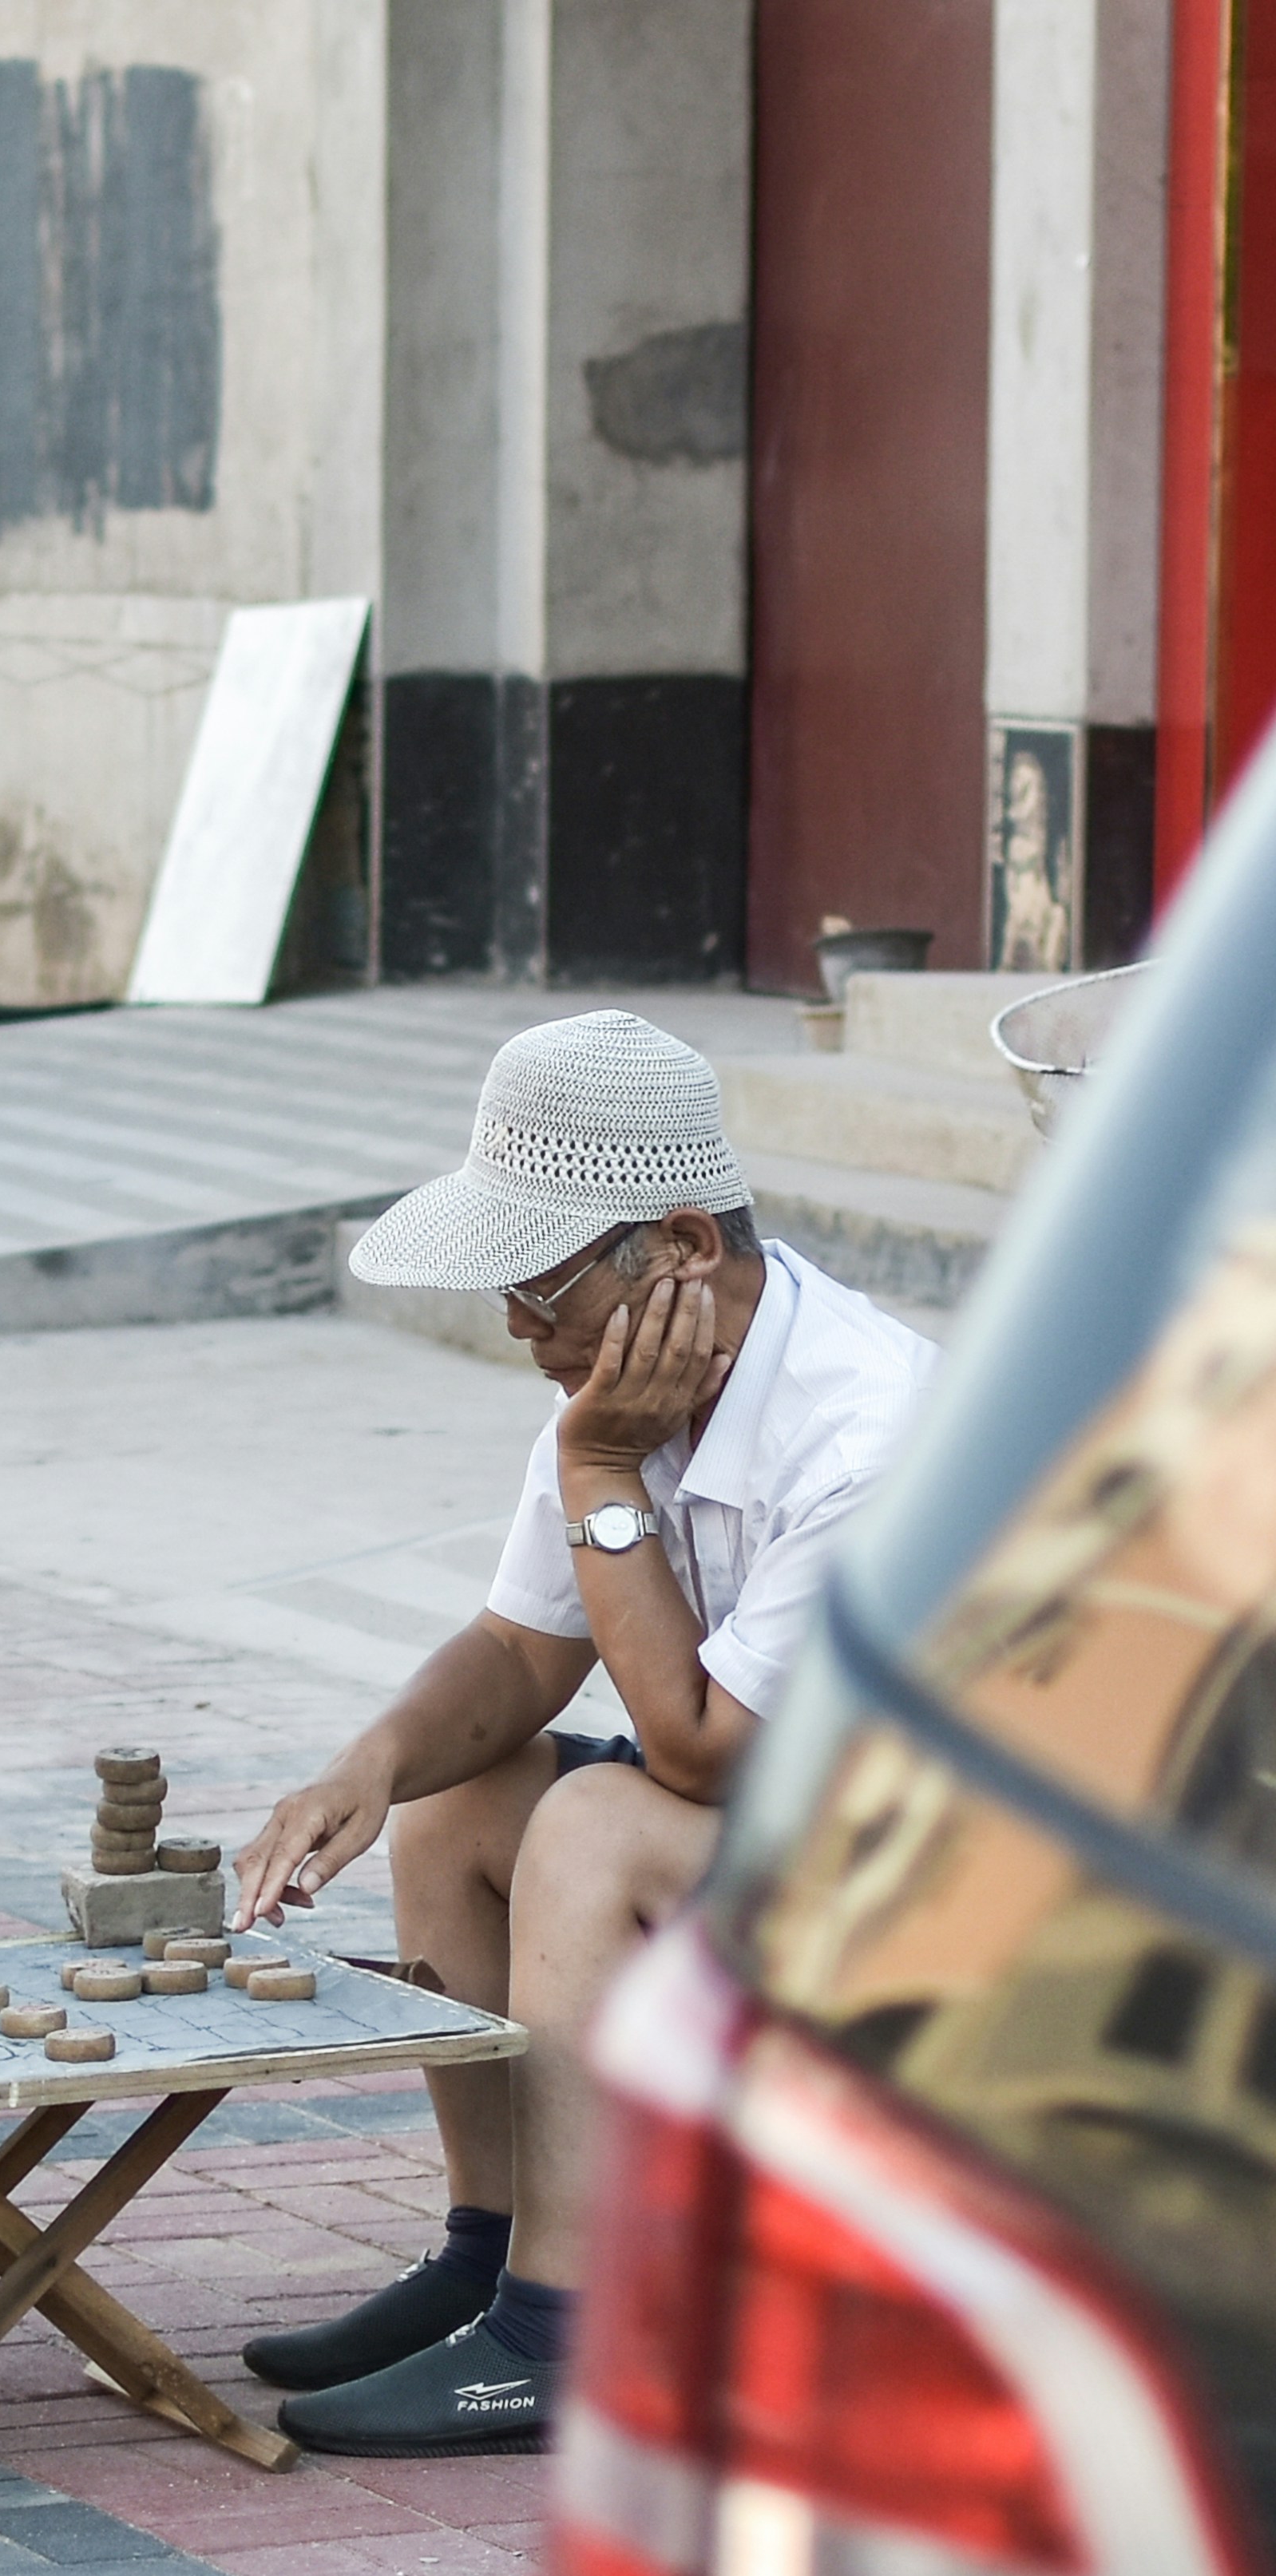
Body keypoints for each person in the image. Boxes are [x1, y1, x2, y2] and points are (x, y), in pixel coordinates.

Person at [229, 1011, 935, 2455]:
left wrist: (603, 1470)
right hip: (796, 1830)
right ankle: (490, 2258)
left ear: (675, 1246)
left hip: (946, 1889)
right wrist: (364, 1767)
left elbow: (696, 1755)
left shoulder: (865, 1429)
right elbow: (513, 1652)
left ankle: (569, 2335)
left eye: (537, 1285)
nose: (516, 1325)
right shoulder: (626, 1381)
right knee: (464, 1800)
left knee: (595, 1824)